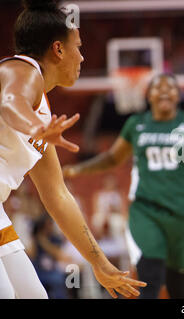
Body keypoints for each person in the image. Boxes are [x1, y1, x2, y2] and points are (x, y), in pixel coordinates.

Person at [0, 0, 146, 299]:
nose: (81, 57)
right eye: (78, 46)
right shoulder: (22, 71)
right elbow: (9, 102)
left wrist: (99, 263)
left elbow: (58, 196)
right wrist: (36, 129)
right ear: (58, 49)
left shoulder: (40, 108)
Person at [63, 73, 184, 298]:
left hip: (183, 212)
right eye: (158, 87)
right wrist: (80, 169)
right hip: (146, 210)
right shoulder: (136, 124)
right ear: (148, 94)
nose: (164, 91)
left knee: (178, 286)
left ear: (177, 95)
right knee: (150, 274)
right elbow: (113, 158)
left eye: (170, 87)